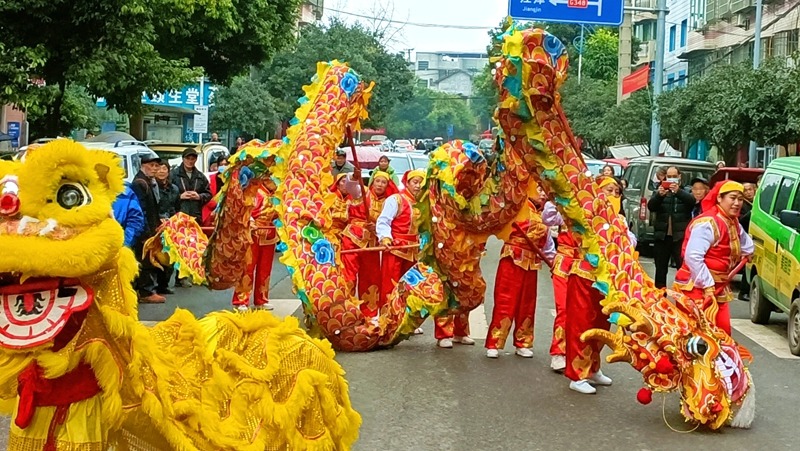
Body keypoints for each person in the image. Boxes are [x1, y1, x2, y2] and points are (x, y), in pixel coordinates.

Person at [553, 176, 635, 394]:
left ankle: (593, 368)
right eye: (609, 190)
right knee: (581, 323)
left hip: (606, 280)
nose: (613, 195)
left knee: (601, 323)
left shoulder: (619, 220)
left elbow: (629, 243)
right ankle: (577, 374)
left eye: (617, 191)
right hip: (583, 275)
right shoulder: (585, 214)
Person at [674, 181, 754, 335]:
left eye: (740, 199)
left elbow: (747, 244)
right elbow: (693, 256)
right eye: (732, 198)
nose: (737, 203)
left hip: (719, 287)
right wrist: (707, 284)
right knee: (697, 338)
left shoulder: (733, 222)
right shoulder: (707, 223)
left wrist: (748, 252)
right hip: (697, 287)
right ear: (719, 198)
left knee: (722, 335)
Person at [485, 197, 555, 359]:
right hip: (512, 256)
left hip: (531, 261)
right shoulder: (517, 203)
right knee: (505, 301)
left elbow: (547, 242)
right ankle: (495, 342)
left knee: (527, 303)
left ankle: (523, 342)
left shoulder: (544, 211)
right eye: (537, 188)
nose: (541, 193)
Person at [377, 169, 427, 337]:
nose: (418, 186)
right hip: (396, 249)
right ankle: (387, 320)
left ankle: (406, 321)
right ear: (407, 183)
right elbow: (384, 220)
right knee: (390, 286)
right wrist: (385, 238)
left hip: (413, 250)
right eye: (415, 182)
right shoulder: (396, 199)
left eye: (421, 182)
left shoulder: (423, 203)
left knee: (410, 287)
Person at [342, 170, 399, 317]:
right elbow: (351, 187)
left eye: (383, 182)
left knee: (371, 278)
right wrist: (354, 177)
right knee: (348, 276)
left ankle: (370, 315)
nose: (380, 184)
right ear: (372, 182)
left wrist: (376, 228)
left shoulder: (389, 202)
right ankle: (346, 312)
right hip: (353, 239)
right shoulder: (363, 192)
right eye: (377, 181)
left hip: (372, 243)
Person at [232, 181, 279, 312]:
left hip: (269, 234)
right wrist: (250, 221)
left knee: (265, 270)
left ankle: (262, 299)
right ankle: (241, 300)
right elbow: (244, 209)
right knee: (247, 268)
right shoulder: (254, 190)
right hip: (253, 235)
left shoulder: (278, 193)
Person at [647, 166, 695, 288]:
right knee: (660, 269)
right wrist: (659, 195)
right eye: (669, 176)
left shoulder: (686, 191)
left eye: (674, 176)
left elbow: (691, 202)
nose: (672, 179)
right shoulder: (660, 191)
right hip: (662, 237)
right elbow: (651, 206)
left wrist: (678, 192)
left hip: (680, 237)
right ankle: (660, 294)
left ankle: (682, 293)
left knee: (682, 267)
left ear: (679, 177)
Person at [171, 147, 212, 287]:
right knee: (180, 246)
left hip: (195, 215)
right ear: (183, 159)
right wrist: (179, 197)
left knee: (196, 246)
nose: (190, 161)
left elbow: (208, 194)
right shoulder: (174, 175)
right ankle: (180, 277)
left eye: (193, 158)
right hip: (179, 215)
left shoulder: (200, 176)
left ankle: (195, 274)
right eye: (188, 158)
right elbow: (167, 194)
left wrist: (199, 196)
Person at [130, 153, 166, 304]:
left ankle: (145, 290)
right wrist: (146, 232)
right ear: (142, 166)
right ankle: (146, 291)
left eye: (156, 166)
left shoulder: (148, 181)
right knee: (145, 261)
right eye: (151, 165)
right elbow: (141, 210)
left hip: (149, 227)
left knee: (147, 260)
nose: (155, 169)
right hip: (144, 231)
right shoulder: (140, 182)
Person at [154, 162, 180, 294]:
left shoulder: (174, 189)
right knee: (156, 256)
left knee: (169, 255)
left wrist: (173, 220)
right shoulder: (152, 187)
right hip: (156, 224)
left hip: (171, 225)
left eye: (165, 168)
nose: (161, 171)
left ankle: (164, 285)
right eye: (158, 168)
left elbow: (176, 207)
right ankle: (155, 285)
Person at [737, 182, 757, 300]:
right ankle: (743, 291)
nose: (748, 192)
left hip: (754, 236)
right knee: (747, 264)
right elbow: (741, 221)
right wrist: (752, 212)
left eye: (750, 189)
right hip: (744, 237)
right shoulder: (741, 205)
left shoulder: (756, 203)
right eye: (745, 190)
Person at [112, 183, 145, 249]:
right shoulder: (88, 193)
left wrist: (125, 244)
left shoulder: (125, 193)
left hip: (120, 247)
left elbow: (135, 220)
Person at [202, 156, 229, 227]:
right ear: (217, 166)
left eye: (225, 164)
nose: (223, 166)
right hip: (212, 210)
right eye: (221, 165)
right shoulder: (210, 178)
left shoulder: (232, 179)